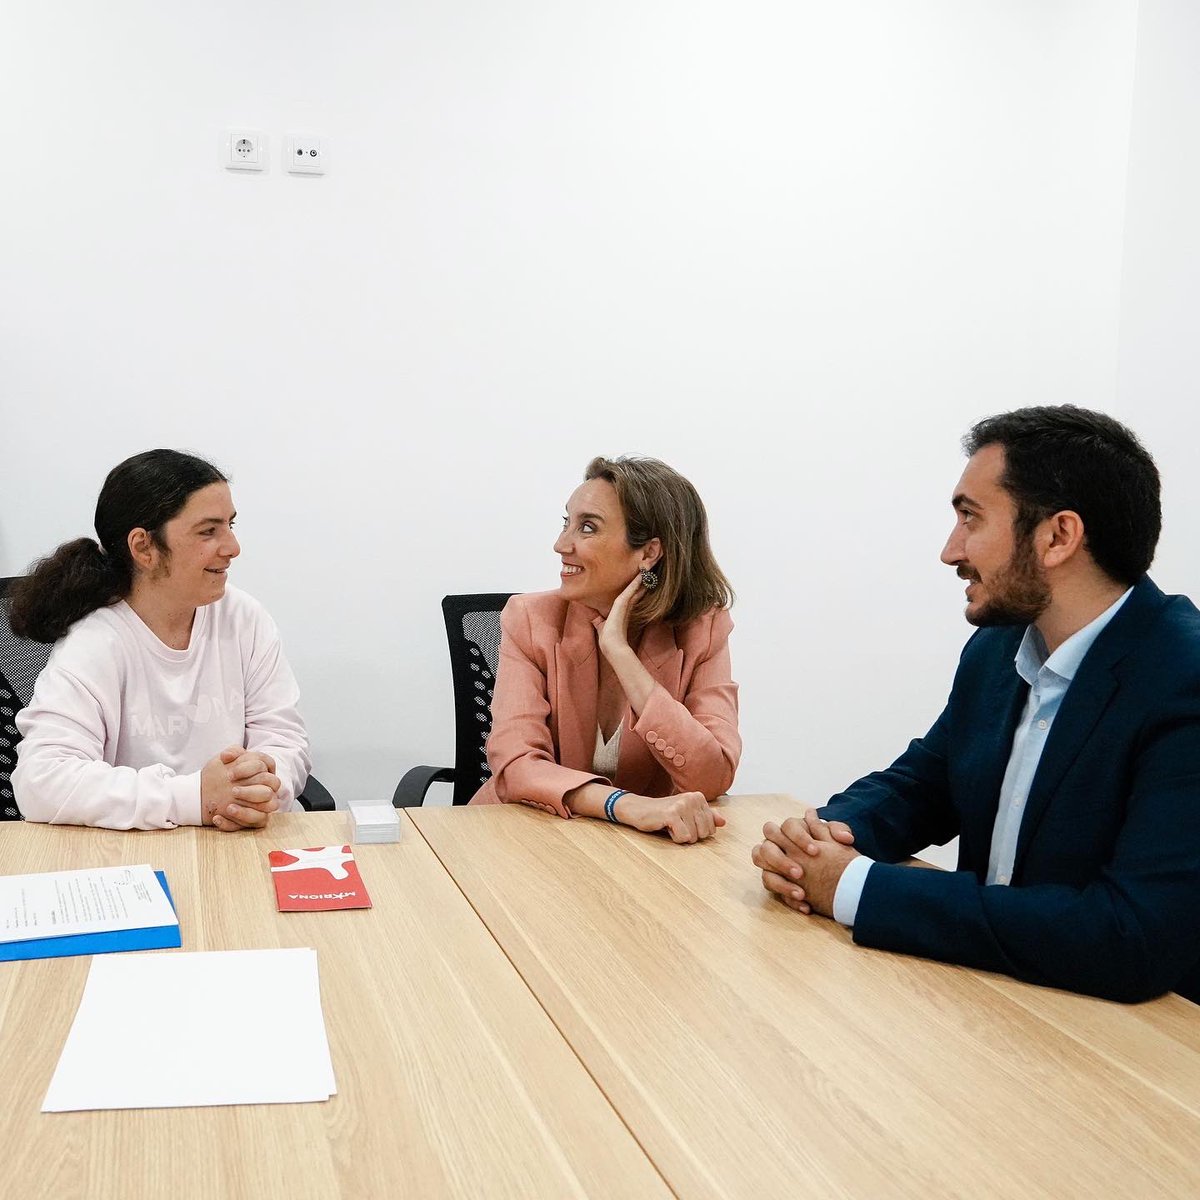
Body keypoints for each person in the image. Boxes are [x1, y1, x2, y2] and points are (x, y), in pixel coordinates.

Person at [753, 405, 1200, 1004]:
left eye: (971, 517)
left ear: (1058, 537)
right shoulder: (997, 649)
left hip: (1127, 1053)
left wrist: (857, 887)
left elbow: (1130, 935)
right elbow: (925, 784)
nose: (949, 550)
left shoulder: (1184, 675)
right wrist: (820, 840)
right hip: (993, 1006)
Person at [11, 449, 311, 832]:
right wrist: (194, 798)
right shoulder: (96, 641)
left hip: (243, 841)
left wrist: (265, 782)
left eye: (231, 525)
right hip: (137, 855)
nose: (233, 547)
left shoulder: (244, 618)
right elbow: (41, 781)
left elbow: (284, 736)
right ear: (144, 548)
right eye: (208, 531)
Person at [471, 455, 740, 843]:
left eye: (588, 528)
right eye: (567, 523)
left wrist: (619, 651)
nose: (561, 544)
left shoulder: (703, 629)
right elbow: (516, 764)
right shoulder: (530, 618)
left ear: (648, 553)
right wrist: (623, 804)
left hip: (642, 851)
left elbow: (711, 776)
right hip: (527, 835)